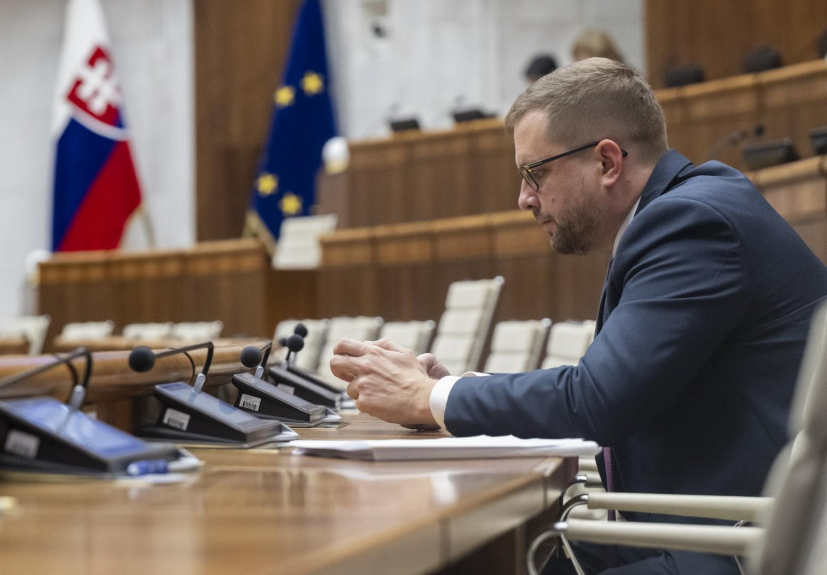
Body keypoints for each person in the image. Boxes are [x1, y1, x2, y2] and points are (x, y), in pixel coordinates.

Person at [330, 58, 827, 574]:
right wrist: (460, 387)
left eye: (535, 173)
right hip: (681, 525)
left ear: (607, 162)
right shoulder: (681, 215)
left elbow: (597, 400)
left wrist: (429, 397)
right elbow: (607, 388)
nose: (523, 198)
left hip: (731, 547)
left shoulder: (693, 225)